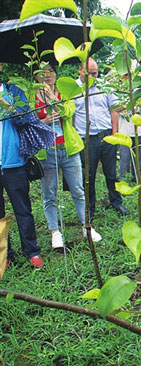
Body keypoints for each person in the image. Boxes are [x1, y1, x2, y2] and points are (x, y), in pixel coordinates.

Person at [34, 64, 102, 248]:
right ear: (36, 76)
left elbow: (69, 111)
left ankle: (86, 226)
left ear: (55, 74)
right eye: (42, 72)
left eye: (50, 71)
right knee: (49, 192)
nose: (47, 75)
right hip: (47, 150)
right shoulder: (31, 95)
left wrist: (52, 98)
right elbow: (29, 121)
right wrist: (43, 121)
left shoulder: (65, 91)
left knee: (78, 189)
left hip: (68, 148)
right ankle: (55, 232)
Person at [73, 58, 129, 218]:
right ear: (79, 70)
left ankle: (116, 202)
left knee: (111, 173)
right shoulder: (73, 89)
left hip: (107, 136)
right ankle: (90, 208)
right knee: (88, 176)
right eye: (88, 72)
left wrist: (115, 133)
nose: (92, 76)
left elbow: (113, 110)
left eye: (95, 73)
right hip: (86, 139)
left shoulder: (104, 86)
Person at [0, 64, 43, 269]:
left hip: (13, 162)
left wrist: (6, 104)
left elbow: (25, 118)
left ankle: (32, 251)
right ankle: (4, 254)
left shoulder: (13, 92)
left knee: (22, 208)